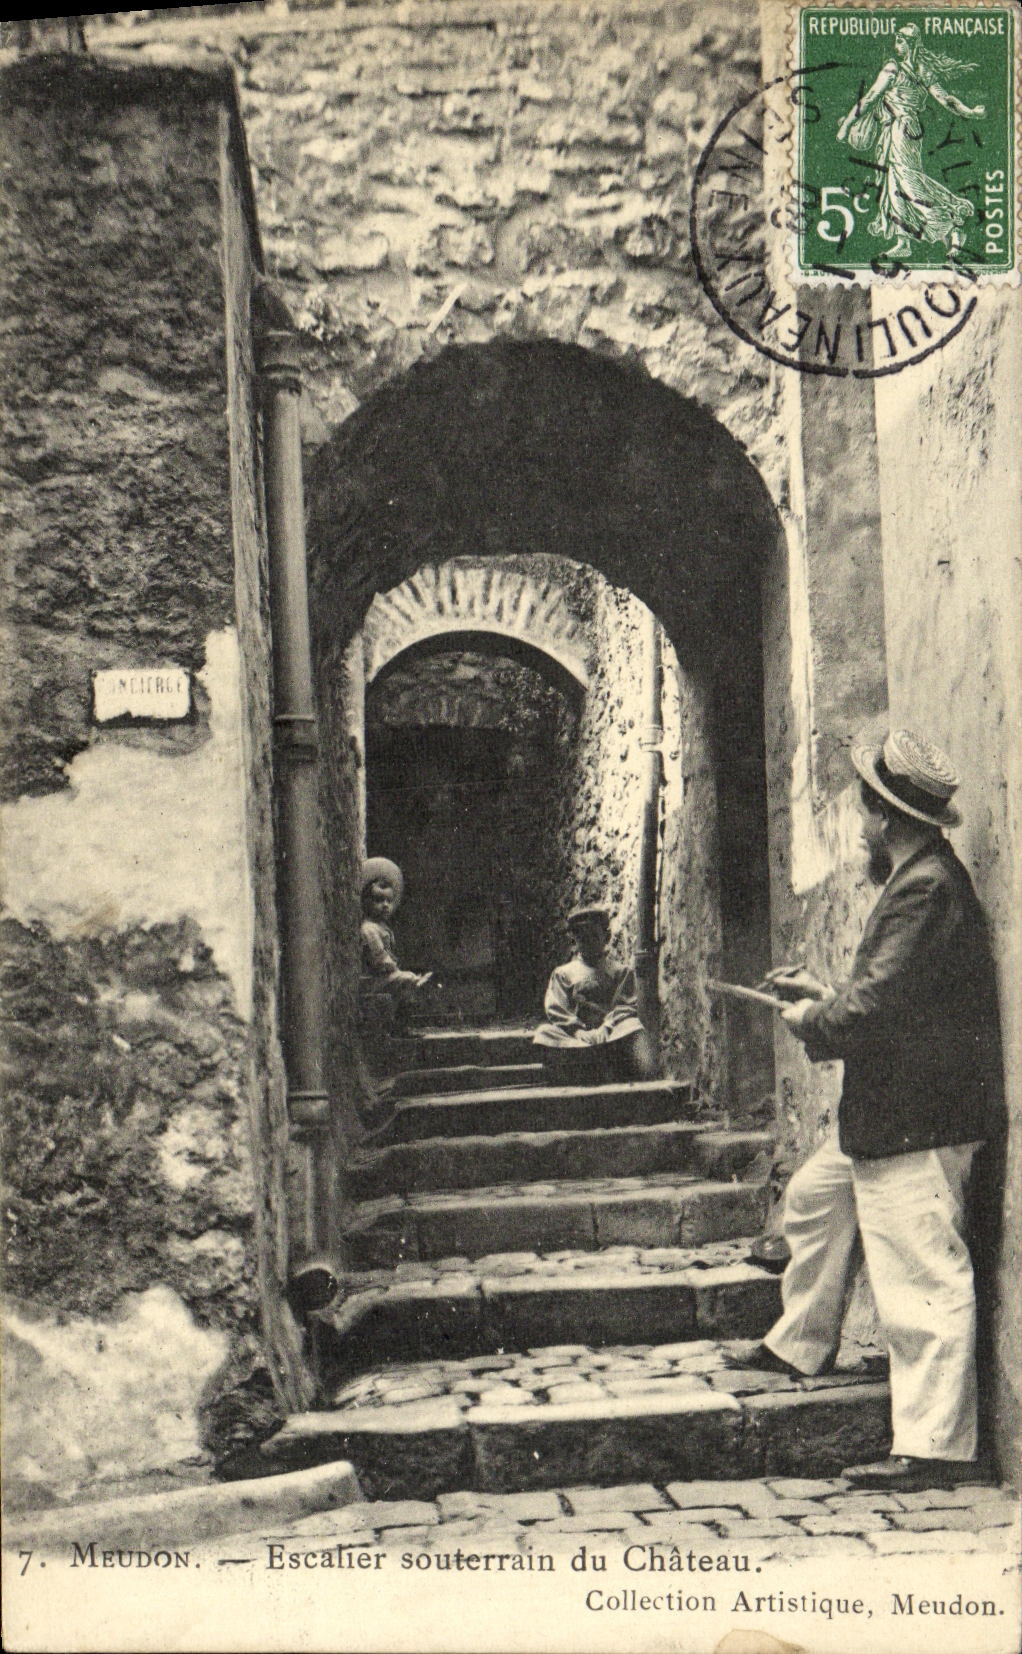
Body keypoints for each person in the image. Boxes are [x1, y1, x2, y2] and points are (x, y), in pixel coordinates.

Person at [735, 729, 1002, 1492]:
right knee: (815, 1201)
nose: (858, 825)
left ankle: (935, 1449)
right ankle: (801, 1341)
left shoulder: (922, 887)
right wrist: (824, 996)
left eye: (863, 810)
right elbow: (893, 995)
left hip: (921, 1120)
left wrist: (813, 1022)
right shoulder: (921, 878)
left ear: (886, 817)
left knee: (922, 1279)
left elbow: (878, 1008)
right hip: (895, 1111)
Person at [836, 25, 985, 263]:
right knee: (896, 183)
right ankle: (903, 240)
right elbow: (946, 100)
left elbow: (871, 97)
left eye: (899, 39)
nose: (896, 43)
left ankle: (951, 228)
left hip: (900, 130)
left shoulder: (893, 68)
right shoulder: (923, 70)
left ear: (908, 43)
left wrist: (845, 127)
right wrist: (970, 112)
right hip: (910, 129)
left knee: (908, 184)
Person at [533, 905, 655, 1082]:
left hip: (611, 1033)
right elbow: (556, 1007)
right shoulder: (563, 973)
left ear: (606, 937)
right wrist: (576, 1031)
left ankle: (594, 1061)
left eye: (594, 937)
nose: (589, 943)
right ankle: (589, 1059)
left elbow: (626, 1005)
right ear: (575, 940)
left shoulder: (621, 972)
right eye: (583, 938)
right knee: (544, 1033)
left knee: (633, 1026)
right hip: (576, 1038)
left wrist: (606, 1027)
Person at [359, 857, 432, 1034]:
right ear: (367, 902)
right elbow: (379, 958)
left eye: (388, 901)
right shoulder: (369, 929)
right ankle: (416, 984)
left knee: (405, 985)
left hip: (383, 977)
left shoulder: (383, 928)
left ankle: (403, 1025)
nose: (385, 906)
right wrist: (393, 968)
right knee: (406, 980)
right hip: (373, 979)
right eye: (378, 900)